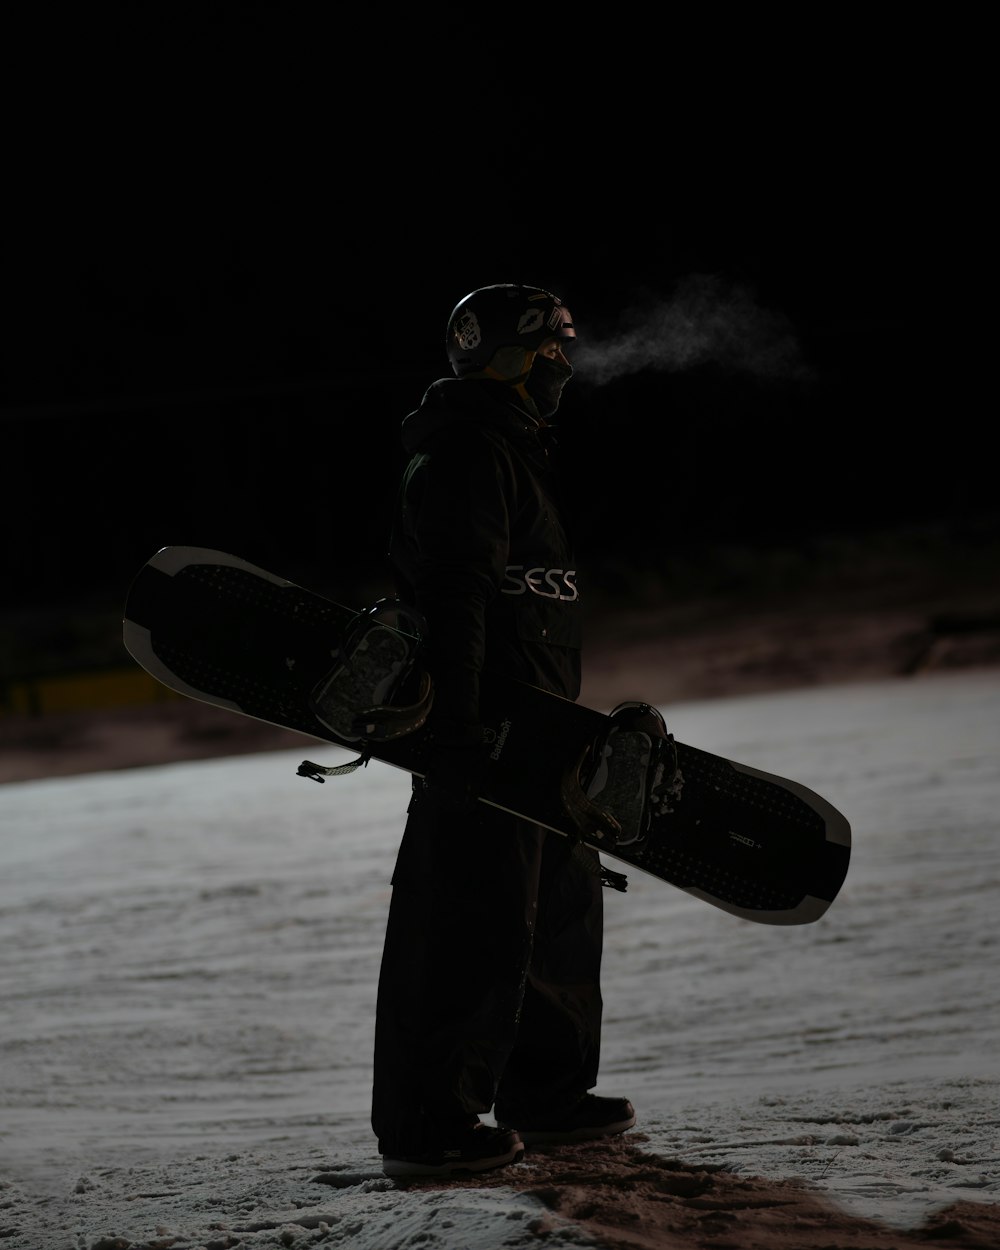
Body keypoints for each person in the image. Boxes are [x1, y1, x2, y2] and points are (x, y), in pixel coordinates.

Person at [371, 283, 635, 1178]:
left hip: (541, 729)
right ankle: (427, 1125)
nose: (567, 363)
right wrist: (455, 723)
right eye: (556, 346)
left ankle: (546, 1095)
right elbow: (458, 591)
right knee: (464, 924)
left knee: (559, 913)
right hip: (485, 733)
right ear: (518, 356)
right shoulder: (467, 452)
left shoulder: (510, 452)